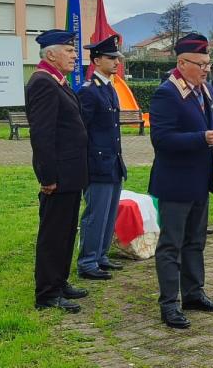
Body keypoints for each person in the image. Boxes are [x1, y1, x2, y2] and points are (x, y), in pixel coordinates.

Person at [149, 32, 213, 329]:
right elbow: (161, 139)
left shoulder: (205, 89)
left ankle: (194, 293)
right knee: (171, 245)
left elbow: (208, 126)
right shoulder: (166, 93)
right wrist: (202, 138)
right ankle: (169, 304)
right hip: (175, 182)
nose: (207, 69)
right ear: (182, 63)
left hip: (200, 179)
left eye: (209, 63)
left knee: (195, 242)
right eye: (201, 64)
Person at [26, 29, 90, 313]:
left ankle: (60, 281)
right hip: (59, 176)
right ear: (51, 54)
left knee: (66, 231)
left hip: (71, 173)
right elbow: (42, 135)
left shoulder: (56, 81)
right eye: (69, 51)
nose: (75, 56)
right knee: (53, 234)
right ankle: (47, 293)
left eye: (74, 51)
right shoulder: (42, 82)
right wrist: (48, 177)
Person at [75, 35, 127, 280]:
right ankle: (87, 261)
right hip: (97, 163)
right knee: (96, 213)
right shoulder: (89, 92)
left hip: (113, 161)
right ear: (96, 60)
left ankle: (101, 256)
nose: (116, 62)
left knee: (109, 212)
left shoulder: (108, 87)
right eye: (110, 58)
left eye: (117, 57)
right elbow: (80, 131)